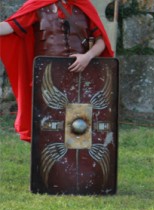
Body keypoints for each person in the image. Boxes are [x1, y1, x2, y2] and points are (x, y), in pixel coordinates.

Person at [0, 0, 114, 142]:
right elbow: (10, 27)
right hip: (47, 77)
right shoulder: (38, 5)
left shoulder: (83, 5)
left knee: (79, 124)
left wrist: (87, 57)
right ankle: (49, 163)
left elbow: (101, 41)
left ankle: (76, 162)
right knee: (48, 126)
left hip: (80, 76)